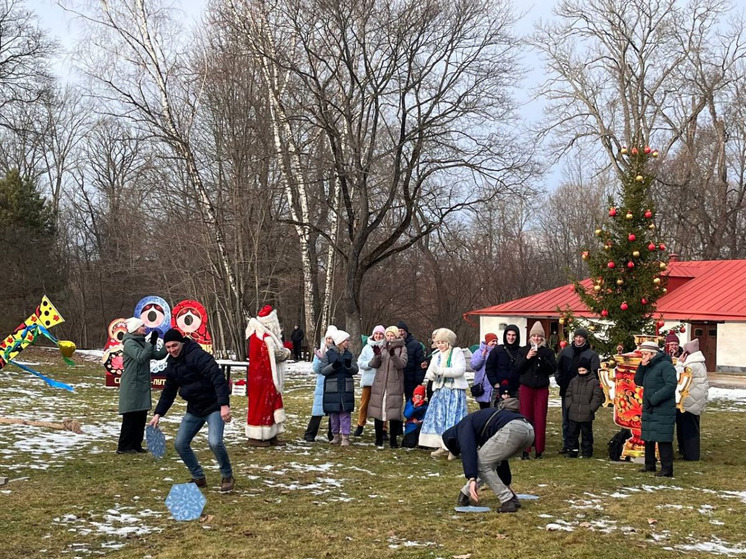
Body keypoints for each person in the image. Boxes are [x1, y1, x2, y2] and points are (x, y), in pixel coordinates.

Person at [149, 329, 234, 492]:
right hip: (194, 408)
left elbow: (218, 377)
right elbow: (169, 390)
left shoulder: (198, 355)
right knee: (180, 444)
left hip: (213, 405)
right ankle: (198, 477)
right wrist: (158, 414)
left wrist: (224, 405)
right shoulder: (172, 363)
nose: (172, 350)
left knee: (215, 442)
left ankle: (227, 475)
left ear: (181, 342)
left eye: (174, 345)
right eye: (168, 347)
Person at [442, 397, 533, 513]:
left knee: (480, 464)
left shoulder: (463, 426)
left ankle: (508, 500)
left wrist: (471, 478)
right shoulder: (480, 424)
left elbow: (468, 450)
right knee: (487, 462)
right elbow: (499, 459)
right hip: (528, 429)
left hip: (512, 429)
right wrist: (506, 483)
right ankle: (464, 494)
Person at [245, 305, 292, 447]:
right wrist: (286, 352)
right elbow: (272, 356)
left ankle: (271, 434)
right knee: (261, 405)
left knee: (271, 404)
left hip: (263, 376)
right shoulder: (264, 337)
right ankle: (257, 436)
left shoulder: (261, 334)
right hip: (263, 377)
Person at [118, 317, 166, 454]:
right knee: (130, 416)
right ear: (135, 329)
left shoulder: (141, 342)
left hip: (141, 385)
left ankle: (136, 445)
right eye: (142, 326)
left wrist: (166, 345)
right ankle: (124, 446)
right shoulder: (130, 344)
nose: (145, 328)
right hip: (132, 385)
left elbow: (156, 355)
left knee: (140, 415)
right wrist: (150, 344)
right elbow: (141, 357)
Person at [420, 328, 468, 455]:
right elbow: (431, 372)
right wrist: (431, 375)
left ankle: (453, 448)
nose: (440, 345)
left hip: (454, 391)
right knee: (440, 418)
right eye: (438, 342)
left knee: (453, 419)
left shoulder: (457, 353)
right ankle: (441, 444)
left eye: (442, 342)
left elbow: (459, 370)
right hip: (440, 391)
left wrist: (441, 371)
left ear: (449, 342)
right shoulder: (436, 355)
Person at [634, 341, 677, 477]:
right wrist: (641, 366)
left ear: (653, 354)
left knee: (663, 438)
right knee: (648, 436)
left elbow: (671, 385)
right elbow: (638, 381)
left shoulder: (666, 366)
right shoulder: (649, 366)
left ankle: (667, 469)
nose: (644, 356)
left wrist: (655, 398)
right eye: (643, 354)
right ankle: (649, 465)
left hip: (662, 407)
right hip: (650, 407)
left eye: (646, 354)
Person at [555, 328, 600, 454]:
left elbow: (595, 374)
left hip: (585, 393)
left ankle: (586, 447)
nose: (578, 339)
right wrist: (561, 382)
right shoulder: (565, 352)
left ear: (585, 339)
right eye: (576, 337)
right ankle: (567, 444)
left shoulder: (591, 355)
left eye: (581, 337)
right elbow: (558, 368)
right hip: (567, 390)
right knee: (566, 420)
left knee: (584, 422)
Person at [515, 321, 556, 459]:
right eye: (534, 336)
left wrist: (542, 359)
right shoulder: (522, 351)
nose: (536, 338)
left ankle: (539, 449)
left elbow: (552, 369)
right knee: (525, 418)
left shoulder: (548, 352)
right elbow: (518, 369)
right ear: (530, 337)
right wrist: (527, 358)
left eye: (539, 336)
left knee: (540, 418)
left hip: (541, 388)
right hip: (526, 387)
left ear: (543, 338)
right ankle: (525, 450)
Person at [368, 326, 407, 448]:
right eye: (388, 335)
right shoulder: (382, 346)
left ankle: (393, 440)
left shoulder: (402, 348)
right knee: (379, 411)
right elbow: (373, 364)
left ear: (396, 336)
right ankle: (378, 438)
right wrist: (377, 356)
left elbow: (402, 364)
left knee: (393, 412)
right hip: (380, 384)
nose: (389, 338)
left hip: (394, 385)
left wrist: (393, 355)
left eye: (392, 335)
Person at [320, 330, 359, 446]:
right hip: (333, 388)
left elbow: (355, 370)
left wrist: (349, 366)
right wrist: (333, 366)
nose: (348, 342)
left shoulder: (349, 355)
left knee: (345, 413)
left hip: (346, 387)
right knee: (334, 414)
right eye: (346, 340)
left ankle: (345, 437)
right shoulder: (328, 354)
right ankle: (335, 435)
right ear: (340, 342)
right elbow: (323, 370)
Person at [564, 357, 605, 458]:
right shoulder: (573, 381)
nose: (581, 372)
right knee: (572, 434)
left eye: (583, 370)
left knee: (587, 434)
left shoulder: (594, 382)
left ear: (588, 370)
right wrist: (569, 405)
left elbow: (597, 397)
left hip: (587, 414)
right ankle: (573, 451)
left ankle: (587, 452)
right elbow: (568, 394)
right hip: (573, 412)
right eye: (579, 370)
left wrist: (591, 409)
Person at [676, 338, 709, 460]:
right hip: (694, 399)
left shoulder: (691, 364)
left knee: (689, 428)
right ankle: (686, 452)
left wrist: (679, 363)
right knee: (688, 427)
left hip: (689, 400)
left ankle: (691, 455)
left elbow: (679, 376)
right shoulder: (698, 362)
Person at [304, 325, 337, 442]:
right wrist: (319, 359)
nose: (330, 341)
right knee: (318, 411)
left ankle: (332, 434)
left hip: (333, 383)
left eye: (332, 339)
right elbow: (316, 369)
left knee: (333, 411)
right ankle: (310, 433)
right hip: (322, 384)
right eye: (328, 338)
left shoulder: (338, 352)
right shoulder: (321, 351)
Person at [354, 325, 386, 437]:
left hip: (381, 381)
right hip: (368, 380)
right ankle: (360, 424)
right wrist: (369, 364)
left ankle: (383, 428)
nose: (378, 336)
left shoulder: (386, 347)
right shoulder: (367, 347)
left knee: (382, 406)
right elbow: (360, 362)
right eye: (376, 334)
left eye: (380, 334)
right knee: (364, 404)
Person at [485, 325, 521, 404]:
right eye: (509, 335)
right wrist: (495, 383)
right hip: (499, 388)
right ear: (505, 335)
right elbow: (489, 367)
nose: (511, 337)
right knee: (497, 414)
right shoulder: (497, 350)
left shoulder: (521, 351)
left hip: (515, 389)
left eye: (513, 335)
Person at [397, 320, 425, 401]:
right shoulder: (393, 344)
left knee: (410, 400)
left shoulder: (415, 344)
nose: (401, 333)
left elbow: (420, 363)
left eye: (402, 330)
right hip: (397, 379)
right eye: (398, 331)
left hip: (411, 379)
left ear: (406, 331)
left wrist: (418, 380)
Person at [470, 333, 498, 409]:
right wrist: (482, 356)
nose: (495, 343)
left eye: (496, 341)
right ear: (487, 342)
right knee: (484, 409)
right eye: (493, 341)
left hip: (493, 386)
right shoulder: (478, 352)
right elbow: (474, 365)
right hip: (482, 386)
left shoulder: (498, 352)